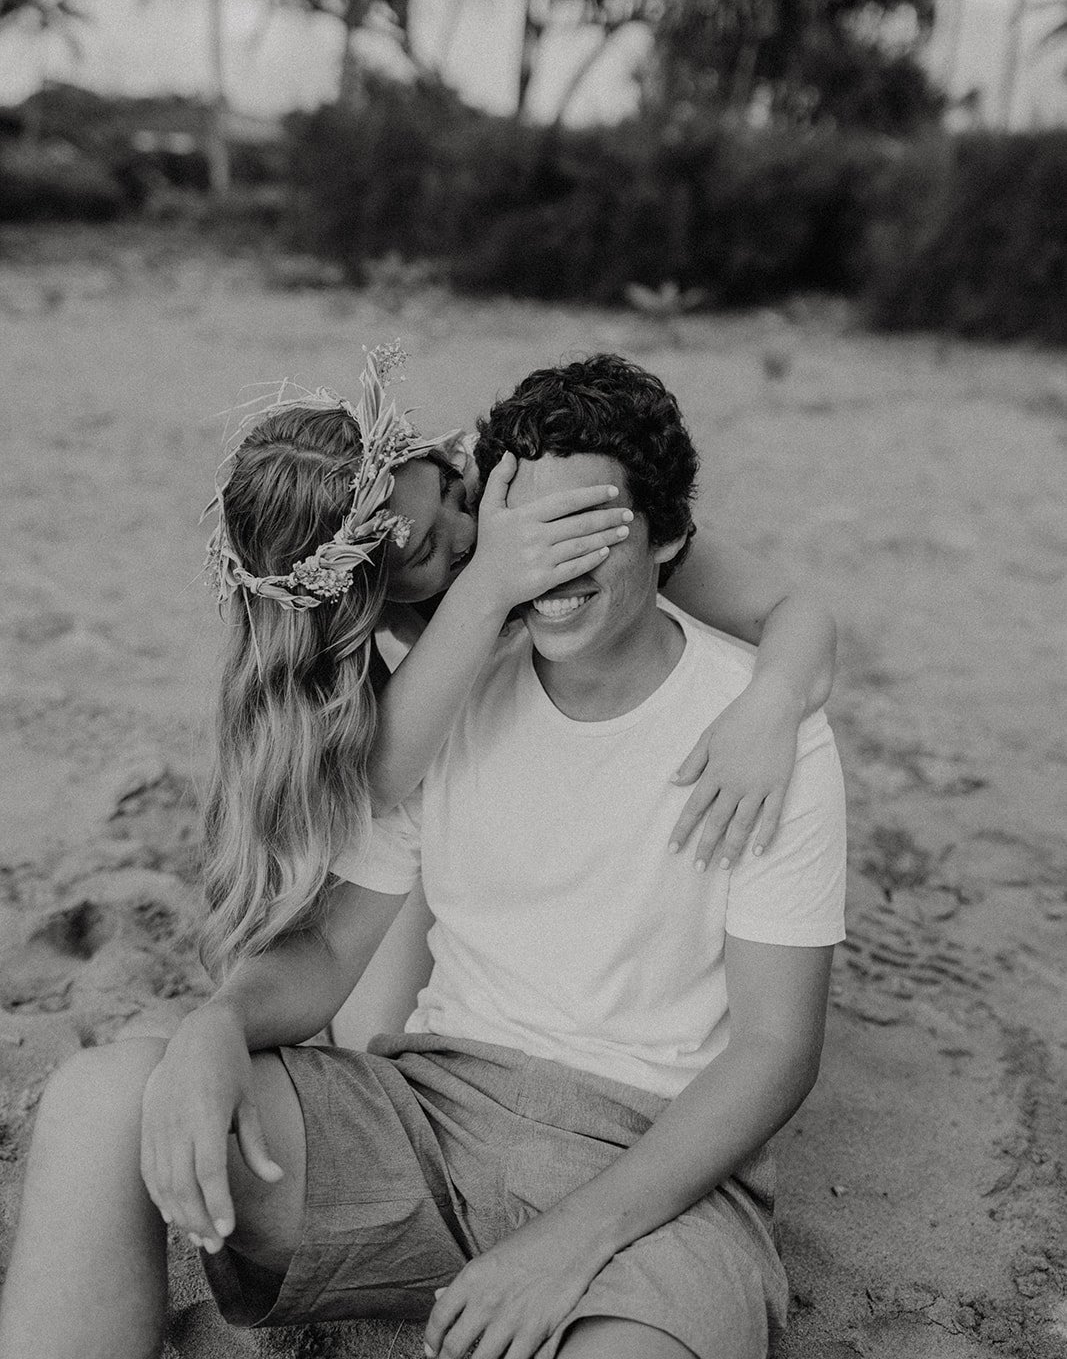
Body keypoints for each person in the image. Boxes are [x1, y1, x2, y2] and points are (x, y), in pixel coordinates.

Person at [0, 351, 840, 1359]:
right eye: (509, 531)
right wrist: (216, 1024)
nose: (534, 556)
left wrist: (562, 1246)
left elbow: (773, 1049)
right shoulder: (438, 690)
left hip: (646, 1159)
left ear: (662, 538)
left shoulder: (750, 720)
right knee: (102, 1102)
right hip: (434, 1107)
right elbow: (339, 915)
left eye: (575, 529)